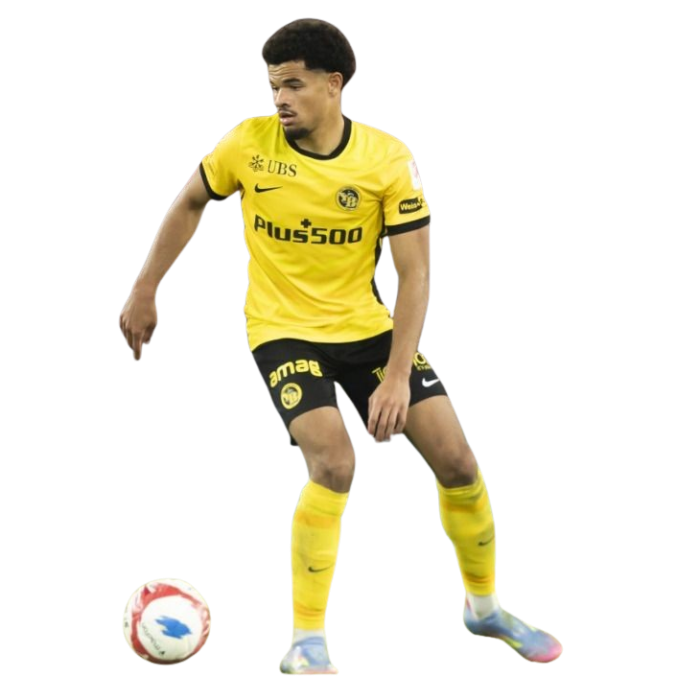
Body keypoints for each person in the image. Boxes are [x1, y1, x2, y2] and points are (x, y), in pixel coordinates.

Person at [118, 17, 563, 675]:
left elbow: (416, 275)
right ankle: (306, 642)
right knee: (333, 462)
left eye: (294, 85)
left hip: (368, 329)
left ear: (334, 84)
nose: (280, 99)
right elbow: (189, 203)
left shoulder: (387, 158)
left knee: (457, 459)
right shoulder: (247, 143)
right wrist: (144, 288)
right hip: (282, 330)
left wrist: (395, 378)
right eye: (274, 86)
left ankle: (485, 607)